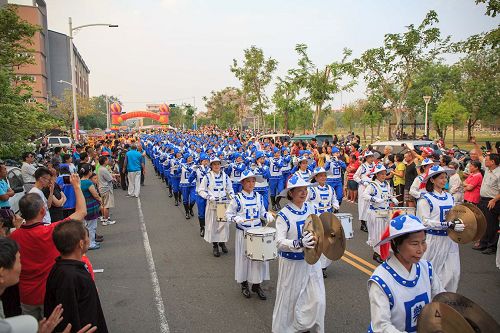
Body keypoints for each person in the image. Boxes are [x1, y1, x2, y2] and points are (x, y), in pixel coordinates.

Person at [9, 174, 86, 320]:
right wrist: (76, 186)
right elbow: (81, 212)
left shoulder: (13, 237)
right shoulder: (50, 231)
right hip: (50, 293)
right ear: (42, 211)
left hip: (26, 296)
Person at [367, 214, 444, 332]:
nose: (421, 249)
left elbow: (441, 299)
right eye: (414, 244)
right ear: (396, 244)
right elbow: (382, 327)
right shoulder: (381, 280)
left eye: (423, 242)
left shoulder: (426, 268)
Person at [272, 174, 325, 333]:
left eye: (305, 190)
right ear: (291, 193)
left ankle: (307, 325)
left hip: (311, 262)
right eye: (299, 190)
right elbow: (279, 242)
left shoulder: (312, 208)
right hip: (292, 264)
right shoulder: (283, 215)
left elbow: (320, 228)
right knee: (291, 299)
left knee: (317, 299)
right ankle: (289, 328)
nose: (303, 193)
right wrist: (297, 243)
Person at [44, 220, 108, 332]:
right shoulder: (71, 276)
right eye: (87, 237)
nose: (89, 239)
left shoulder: (60, 268)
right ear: (81, 244)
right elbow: (69, 313)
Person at [225, 170, 274, 300]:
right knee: (244, 259)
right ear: (242, 183)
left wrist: (267, 215)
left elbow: (262, 212)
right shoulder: (237, 198)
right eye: (248, 181)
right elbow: (228, 214)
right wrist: (236, 219)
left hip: (257, 233)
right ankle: (244, 284)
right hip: (244, 234)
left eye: (253, 181)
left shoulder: (258, 196)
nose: (251, 183)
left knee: (258, 260)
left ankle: (257, 285)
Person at [416, 165, 465, 292]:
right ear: (432, 180)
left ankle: (446, 302)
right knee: (432, 273)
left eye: (445, 178)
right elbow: (424, 222)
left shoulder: (450, 197)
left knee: (453, 274)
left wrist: (458, 223)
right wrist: (446, 225)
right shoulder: (425, 199)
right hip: (434, 240)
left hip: (450, 240)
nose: (444, 181)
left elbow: (454, 215)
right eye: (441, 178)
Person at [198, 157, 234, 257]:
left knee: (222, 225)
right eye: (214, 164)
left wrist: (232, 196)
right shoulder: (207, 176)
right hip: (213, 204)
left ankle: (222, 243)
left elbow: (230, 188)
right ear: (211, 166)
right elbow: (201, 190)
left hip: (222, 204)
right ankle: (215, 246)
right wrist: (208, 196)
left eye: (218, 164)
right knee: (213, 225)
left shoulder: (225, 176)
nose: (217, 166)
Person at [363, 163, 399, 264]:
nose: (384, 176)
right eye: (381, 174)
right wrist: (375, 199)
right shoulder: (372, 185)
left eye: (384, 173)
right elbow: (364, 195)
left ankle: (384, 251)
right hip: (375, 212)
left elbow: (389, 195)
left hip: (386, 212)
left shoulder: (387, 184)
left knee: (385, 233)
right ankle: (377, 253)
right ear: (377, 175)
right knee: (377, 233)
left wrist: (393, 199)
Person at [308, 167, 339, 277]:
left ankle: (322, 267)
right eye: (320, 175)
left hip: (328, 219)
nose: (323, 177)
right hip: (316, 220)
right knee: (316, 243)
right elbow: (305, 202)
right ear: (315, 177)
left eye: (324, 175)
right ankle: (315, 265)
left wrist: (336, 205)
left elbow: (334, 199)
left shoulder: (330, 188)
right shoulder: (311, 189)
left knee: (327, 243)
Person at [475, 154, 500, 255]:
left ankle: (491, 246)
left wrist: (494, 200)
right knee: (484, 223)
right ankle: (483, 243)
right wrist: (475, 143)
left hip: (492, 201)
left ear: (493, 162)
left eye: (487, 160)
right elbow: (479, 155)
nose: (484, 161)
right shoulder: (487, 169)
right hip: (483, 200)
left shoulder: (498, 173)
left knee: (491, 225)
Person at [79, 165, 102, 251]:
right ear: (89, 172)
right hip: (90, 204)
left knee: (86, 224)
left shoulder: (79, 181)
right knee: (92, 225)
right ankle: (91, 243)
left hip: (83, 204)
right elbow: (95, 194)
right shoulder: (88, 182)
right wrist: (100, 200)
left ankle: (88, 242)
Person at [354, 151, 376, 232]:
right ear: (366, 158)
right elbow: (355, 176)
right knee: (363, 205)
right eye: (369, 157)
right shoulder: (362, 166)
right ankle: (363, 223)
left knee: (372, 204)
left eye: (372, 156)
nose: (371, 158)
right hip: (363, 187)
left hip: (372, 187)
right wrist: (362, 182)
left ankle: (371, 222)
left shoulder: (375, 165)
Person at [97, 156, 117, 226]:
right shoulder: (104, 169)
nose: (108, 161)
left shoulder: (100, 168)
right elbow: (110, 179)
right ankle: (106, 220)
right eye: (107, 160)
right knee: (107, 205)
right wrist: (114, 178)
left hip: (102, 188)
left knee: (103, 204)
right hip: (106, 188)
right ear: (105, 161)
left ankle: (103, 217)